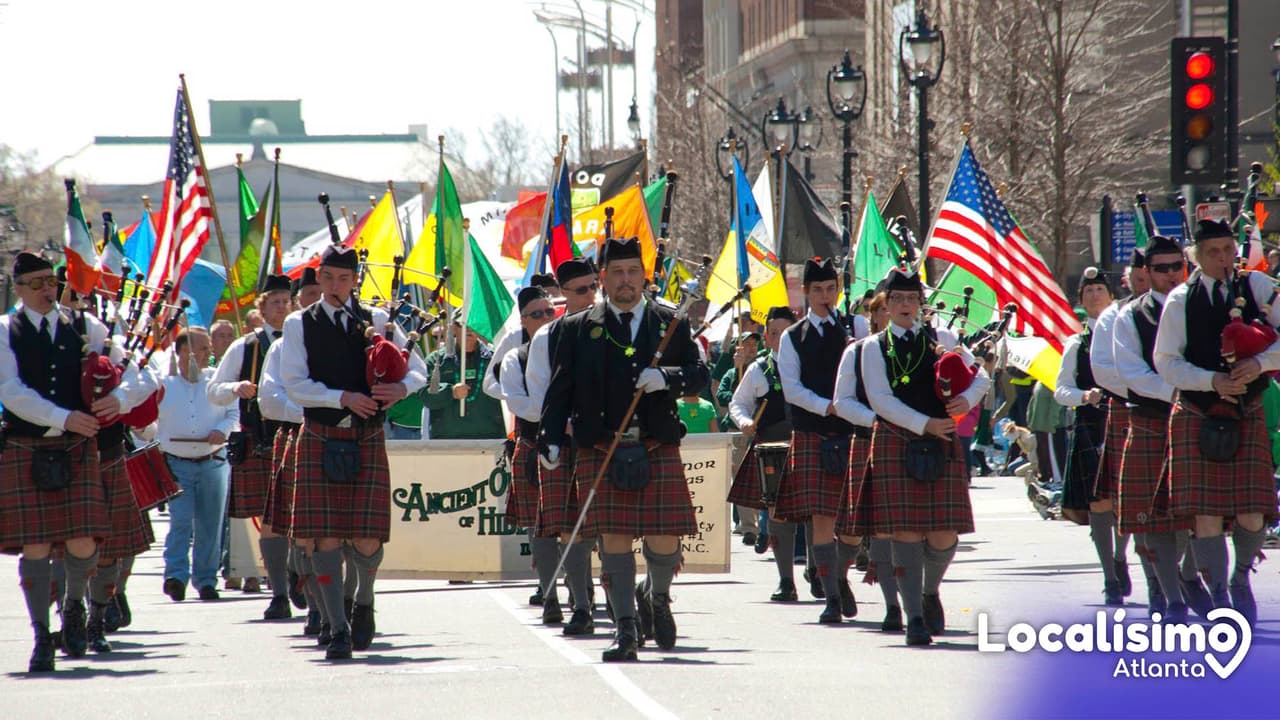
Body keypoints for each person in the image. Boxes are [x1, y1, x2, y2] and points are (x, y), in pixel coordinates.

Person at [540, 237, 709, 662]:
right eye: (617, 272)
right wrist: (550, 439)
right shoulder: (575, 328)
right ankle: (625, 630)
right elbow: (560, 389)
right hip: (601, 444)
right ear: (602, 279)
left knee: (666, 539)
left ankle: (657, 596)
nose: (626, 280)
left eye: (633, 271)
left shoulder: (668, 321)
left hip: (655, 443)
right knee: (613, 540)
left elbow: (699, 374)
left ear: (644, 277)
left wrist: (667, 379)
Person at [279, 244, 428, 659]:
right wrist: (342, 397)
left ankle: (363, 599)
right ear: (318, 277)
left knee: (365, 538)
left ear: (354, 280)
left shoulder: (379, 320)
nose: (334, 286)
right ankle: (337, 627)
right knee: (325, 538)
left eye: (343, 278)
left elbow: (418, 369)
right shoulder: (299, 324)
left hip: (366, 437)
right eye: (327, 277)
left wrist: (401, 387)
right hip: (322, 433)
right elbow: (294, 383)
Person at [0, 252, 137, 671]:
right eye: (37, 283)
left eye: (51, 282)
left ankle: (74, 607)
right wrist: (63, 417)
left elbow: (136, 367)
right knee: (37, 546)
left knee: (84, 541)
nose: (47, 290)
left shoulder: (84, 326)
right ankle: (42, 634)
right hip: (28, 444)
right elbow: (9, 389)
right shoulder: (6, 330)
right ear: (19, 288)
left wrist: (121, 398)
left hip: (77, 449)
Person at [852, 265, 990, 646]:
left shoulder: (943, 337)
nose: (904, 305)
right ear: (886, 303)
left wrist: (966, 399)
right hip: (897, 439)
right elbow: (880, 399)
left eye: (911, 298)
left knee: (944, 535)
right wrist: (924, 424)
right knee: (906, 533)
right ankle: (913, 615)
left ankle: (930, 591)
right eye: (896, 298)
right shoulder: (871, 347)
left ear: (920, 303)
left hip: (941, 443)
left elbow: (982, 376)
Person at [1153, 219, 1280, 627]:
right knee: (1205, 513)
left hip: (1248, 410)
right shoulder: (1179, 300)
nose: (1223, 258)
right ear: (1197, 256)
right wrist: (1212, 381)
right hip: (1197, 411)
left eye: (1228, 249)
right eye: (1213, 252)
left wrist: (1258, 364)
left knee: (1253, 513)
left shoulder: (1259, 289)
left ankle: (1241, 576)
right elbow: (1166, 362)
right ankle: (1221, 593)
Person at [1112, 235, 1213, 624]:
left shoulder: (1202, 306)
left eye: (1176, 266)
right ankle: (1172, 597)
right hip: (1153, 420)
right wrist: (1182, 390)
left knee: (1201, 516)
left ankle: (1189, 575)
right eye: (1161, 268)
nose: (1171, 275)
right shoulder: (1130, 315)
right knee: (1154, 520)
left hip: (1201, 420)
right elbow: (1132, 373)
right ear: (1146, 273)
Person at [775, 257, 867, 624]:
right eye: (818, 290)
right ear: (806, 293)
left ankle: (840, 577)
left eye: (831, 289)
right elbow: (791, 388)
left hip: (854, 431)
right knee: (823, 518)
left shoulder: (856, 327)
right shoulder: (792, 336)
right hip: (814, 431)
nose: (825, 296)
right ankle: (831, 597)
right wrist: (826, 407)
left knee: (855, 522)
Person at [208, 274, 295, 619]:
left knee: (298, 517)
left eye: (287, 301)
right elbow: (213, 390)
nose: (282, 307)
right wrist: (236, 387)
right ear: (261, 307)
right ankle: (279, 591)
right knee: (271, 519)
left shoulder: (300, 343)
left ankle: (295, 577)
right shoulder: (245, 346)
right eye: (275, 301)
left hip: (296, 436)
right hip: (260, 441)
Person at [523, 257, 599, 633]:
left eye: (593, 286)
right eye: (582, 289)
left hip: (603, 440)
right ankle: (568, 600)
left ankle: (600, 603)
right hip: (564, 440)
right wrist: (562, 426)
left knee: (603, 525)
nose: (591, 295)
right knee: (563, 523)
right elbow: (539, 395)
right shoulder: (546, 336)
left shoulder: (612, 327)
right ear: (563, 295)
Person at [1054, 267, 1129, 605]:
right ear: (1081, 301)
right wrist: (1083, 396)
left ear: (1111, 296)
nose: (1094, 295)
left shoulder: (1126, 335)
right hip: (1091, 426)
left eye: (1100, 289)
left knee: (1125, 501)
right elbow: (1061, 390)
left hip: (1126, 423)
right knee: (1100, 503)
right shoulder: (1075, 343)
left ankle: (1120, 555)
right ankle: (1109, 576)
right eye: (1088, 291)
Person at [158, 327, 239, 603]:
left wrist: (223, 430)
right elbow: (148, 422)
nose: (209, 352)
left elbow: (233, 412)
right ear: (183, 351)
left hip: (213, 461)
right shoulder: (164, 386)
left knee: (210, 524)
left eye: (208, 347)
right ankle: (176, 576)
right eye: (203, 348)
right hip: (177, 464)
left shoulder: (217, 381)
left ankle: (206, 580)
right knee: (180, 521)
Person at [831, 292, 896, 629]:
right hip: (867, 440)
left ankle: (894, 606)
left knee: (891, 531)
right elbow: (842, 402)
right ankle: (839, 579)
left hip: (905, 444)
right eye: (885, 308)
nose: (893, 313)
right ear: (874, 315)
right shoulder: (856, 352)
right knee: (854, 530)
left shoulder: (916, 349)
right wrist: (877, 419)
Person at [498, 285, 562, 624]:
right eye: (537, 314)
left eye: (549, 312)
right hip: (534, 444)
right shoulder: (515, 357)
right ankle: (549, 592)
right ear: (523, 320)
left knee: (578, 527)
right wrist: (560, 414)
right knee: (540, 527)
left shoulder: (570, 347)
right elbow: (521, 405)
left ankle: (585, 595)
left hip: (572, 445)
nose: (545, 318)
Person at [726, 307, 799, 596]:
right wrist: (745, 422)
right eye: (774, 333)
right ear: (767, 338)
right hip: (771, 445)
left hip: (806, 443)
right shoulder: (759, 369)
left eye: (786, 332)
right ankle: (786, 581)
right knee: (777, 512)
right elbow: (737, 404)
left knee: (815, 514)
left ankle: (819, 572)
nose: (779, 338)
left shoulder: (810, 365)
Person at [419, 312, 505, 440]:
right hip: (448, 441)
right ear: (453, 327)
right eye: (462, 324)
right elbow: (423, 395)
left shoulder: (495, 359)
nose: (468, 329)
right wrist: (450, 392)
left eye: (473, 324)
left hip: (490, 439)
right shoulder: (436, 360)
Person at [717, 331, 762, 541]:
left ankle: (765, 526)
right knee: (743, 478)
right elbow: (722, 395)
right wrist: (737, 372)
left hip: (762, 428)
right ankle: (749, 528)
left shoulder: (763, 367)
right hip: (736, 430)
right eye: (746, 344)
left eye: (754, 343)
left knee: (764, 478)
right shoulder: (731, 373)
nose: (751, 347)